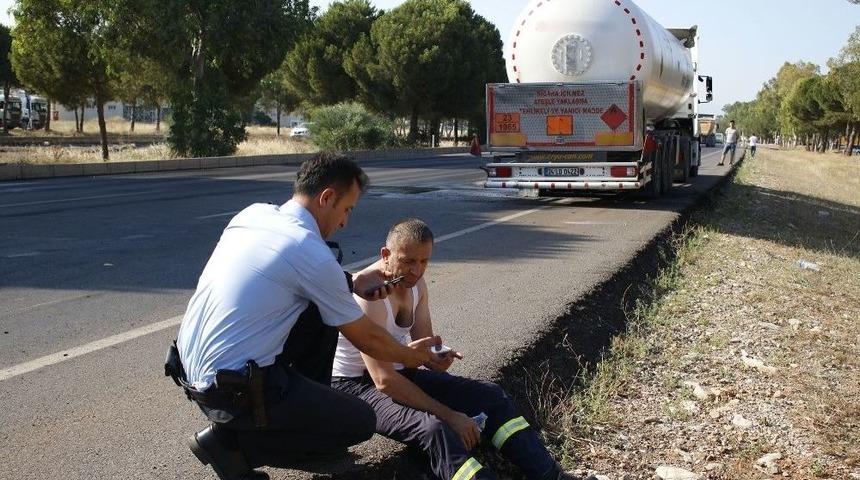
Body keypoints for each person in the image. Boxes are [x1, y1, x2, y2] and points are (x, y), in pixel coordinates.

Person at [170, 154, 445, 480]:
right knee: (360, 421)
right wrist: (411, 355)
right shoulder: (310, 250)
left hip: (192, 375)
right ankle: (234, 447)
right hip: (236, 393)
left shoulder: (253, 214)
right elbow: (368, 339)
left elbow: (285, 273)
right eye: (346, 210)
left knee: (324, 307)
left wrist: (352, 283)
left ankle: (262, 427)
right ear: (326, 197)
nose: (344, 222)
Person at [331, 218, 595, 480]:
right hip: (355, 386)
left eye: (424, 261)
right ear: (386, 255)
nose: (416, 271)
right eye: (408, 261)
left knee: (491, 396)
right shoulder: (370, 297)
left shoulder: (416, 286)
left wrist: (437, 358)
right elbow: (384, 380)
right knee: (434, 430)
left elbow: (424, 344)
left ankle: (551, 476)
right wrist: (450, 415)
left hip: (398, 371)